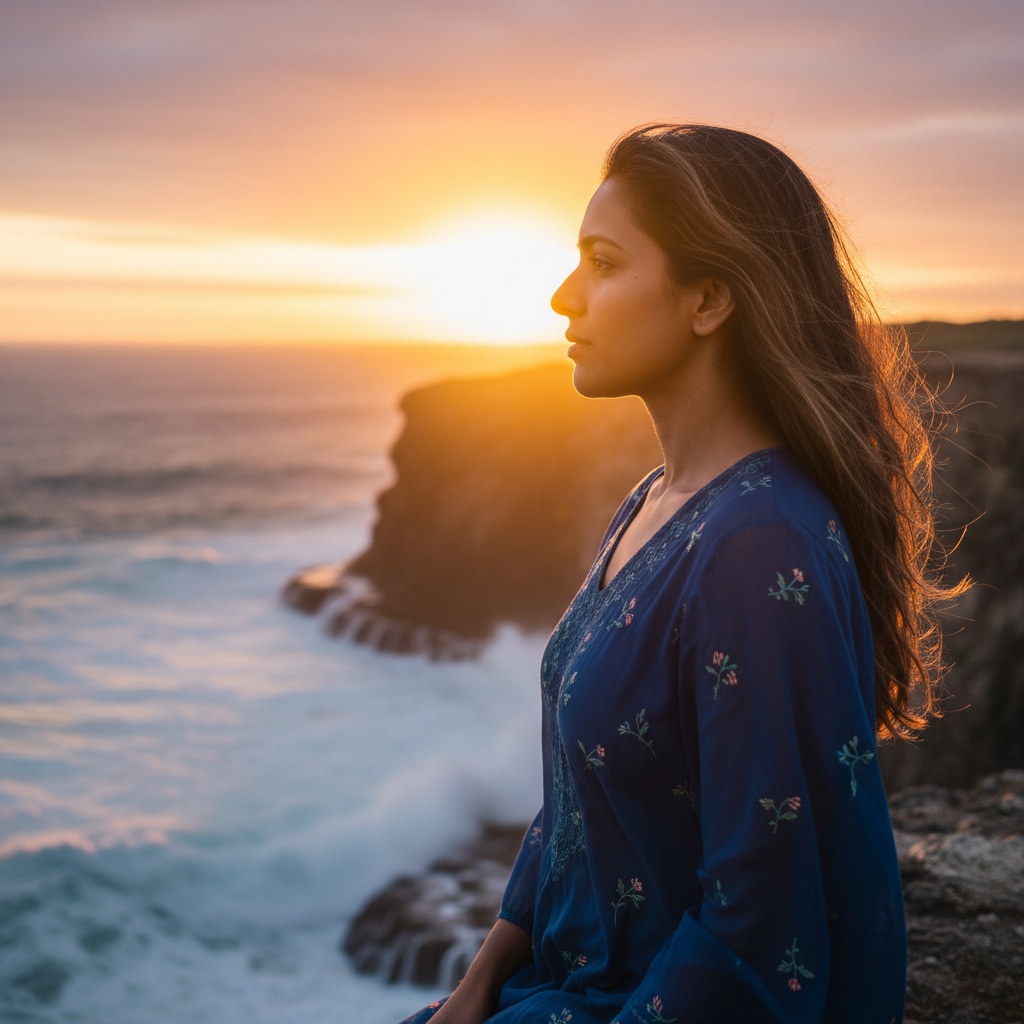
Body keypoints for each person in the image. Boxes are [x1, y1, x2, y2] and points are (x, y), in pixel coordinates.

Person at [397, 123, 964, 1024]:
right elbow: (581, 798)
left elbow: (758, 918)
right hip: (559, 983)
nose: (561, 296)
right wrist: (477, 985)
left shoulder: (756, 546)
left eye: (602, 262)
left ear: (708, 299)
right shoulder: (654, 501)